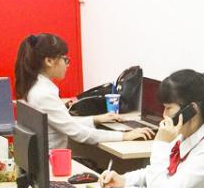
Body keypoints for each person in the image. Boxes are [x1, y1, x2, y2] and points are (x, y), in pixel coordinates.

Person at [13, 33, 152, 150]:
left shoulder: (35, 87)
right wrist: (125, 136)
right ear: (49, 61)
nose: (67, 65)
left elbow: (64, 122)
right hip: (52, 163)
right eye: (65, 59)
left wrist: (95, 119)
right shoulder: (44, 94)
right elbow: (77, 132)